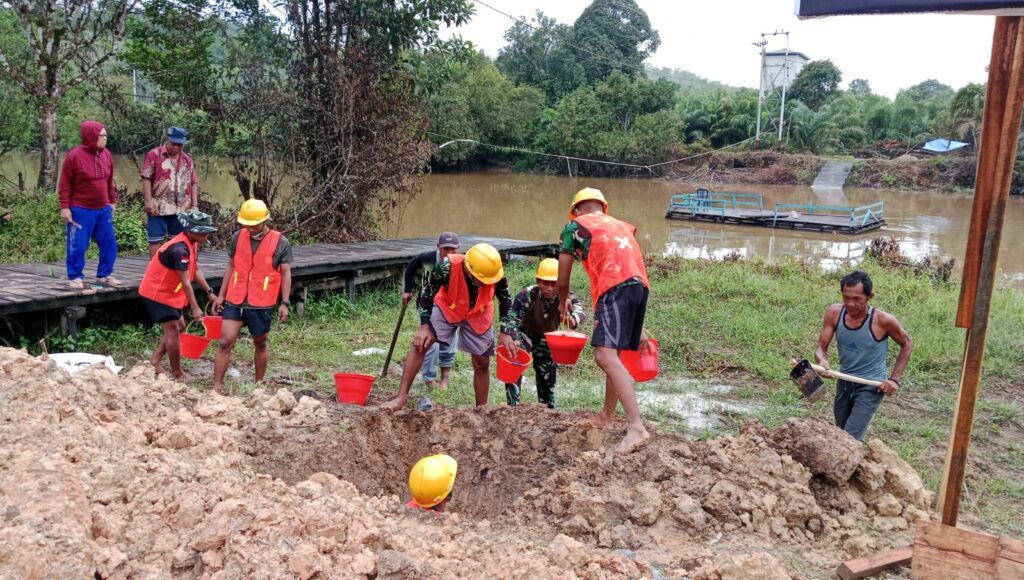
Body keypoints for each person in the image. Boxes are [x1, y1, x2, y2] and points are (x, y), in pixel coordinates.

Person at [556, 187, 651, 454]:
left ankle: (636, 428)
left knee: (605, 356)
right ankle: (607, 416)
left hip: (613, 287)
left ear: (576, 210)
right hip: (639, 286)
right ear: (603, 208)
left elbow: (562, 279)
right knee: (615, 353)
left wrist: (563, 302)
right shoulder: (620, 226)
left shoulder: (574, 227)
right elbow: (628, 264)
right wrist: (636, 322)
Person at [380, 243, 511, 411]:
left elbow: (506, 300)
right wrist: (424, 326)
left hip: (479, 312)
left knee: (482, 362)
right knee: (422, 343)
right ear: (468, 268)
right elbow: (427, 294)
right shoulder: (446, 268)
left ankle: (482, 409)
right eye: (480, 279)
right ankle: (401, 397)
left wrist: (506, 332)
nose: (484, 283)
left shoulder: (494, 274)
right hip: (448, 306)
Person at [814, 270, 913, 441]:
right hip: (844, 380)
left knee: (850, 437)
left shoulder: (883, 320)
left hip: (871, 384)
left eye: (857, 299)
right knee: (840, 431)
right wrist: (822, 361)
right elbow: (821, 348)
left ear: (869, 296)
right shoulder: (834, 313)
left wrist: (894, 380)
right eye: (846, 297)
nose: (850, 304)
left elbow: (907, 343)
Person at [211, 200, 293, 394]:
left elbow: (285, 273)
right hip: (235, 298)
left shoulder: (281, 242)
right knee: (225, 342)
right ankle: (217, 387)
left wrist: (284, 302)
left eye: (254, 225)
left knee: (260, 342)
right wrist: (221, 295)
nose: (249, 228)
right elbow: (231, 266)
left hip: (261, 302)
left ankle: (258, 385)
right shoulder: (238, 237)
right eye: (246, 224)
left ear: (264, 221)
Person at [139, 210, 218, 381]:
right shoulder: (179, 250)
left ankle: (155, 361)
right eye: (202, 232)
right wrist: (195, 308)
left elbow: (195, 270)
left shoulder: (192, 243)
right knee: (173, 330)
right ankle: (177, 373)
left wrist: (210, 292)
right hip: (157, 293)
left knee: (179, 325)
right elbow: (186, 282)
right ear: (190, 231)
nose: (206, 236)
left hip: (169, 293)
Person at [499, 258, 585, 408]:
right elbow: (512, 319)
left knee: (547, 373)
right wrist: (512, 337)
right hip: (525, 333)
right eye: (545, 283)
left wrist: (570, 318)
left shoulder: (566, 295)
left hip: (548, 336)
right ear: (538, 281)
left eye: (554, 284)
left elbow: (580, 313)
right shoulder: (527, 294)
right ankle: (513, 406)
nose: (550, 288)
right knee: (515, 358)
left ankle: (547, 409)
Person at [58, 120, 120, 293]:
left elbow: (109, 181)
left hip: (103, 209)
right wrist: (65, 207)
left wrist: (112, 201)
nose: (105, 138)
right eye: (102, 135)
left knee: (109, 243)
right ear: (91, 136)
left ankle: (104, 275)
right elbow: (64, 185)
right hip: (80, 209)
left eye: (106, 135)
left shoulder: (106, 154)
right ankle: (75, 276)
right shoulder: (74, 156)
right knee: (78, 245)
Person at [403, 232, 460, 391]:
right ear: (438, 247)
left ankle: (445, 378)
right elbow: (411, 266)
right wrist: (407, 290)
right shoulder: (428, 258)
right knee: (430, 343)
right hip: (428, 305)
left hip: (450, 308)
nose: (449, 253)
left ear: (458, 248)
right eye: (445, 249)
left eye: (453, 249)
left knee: (449, 342)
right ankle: (429, 378)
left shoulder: (461, 263)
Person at [141, 126, 200, 256]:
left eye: (180, 145)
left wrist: (195, 205)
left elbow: (194, 182)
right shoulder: (154, 155)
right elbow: (146, 178)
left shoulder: (187, 160)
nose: (177, 147)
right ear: (167, 140)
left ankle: (174, 267)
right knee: (155, 240)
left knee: (178, 241)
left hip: (182, 209)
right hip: (158, 207)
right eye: (174, 144)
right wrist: (148, 201)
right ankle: (155, 266)